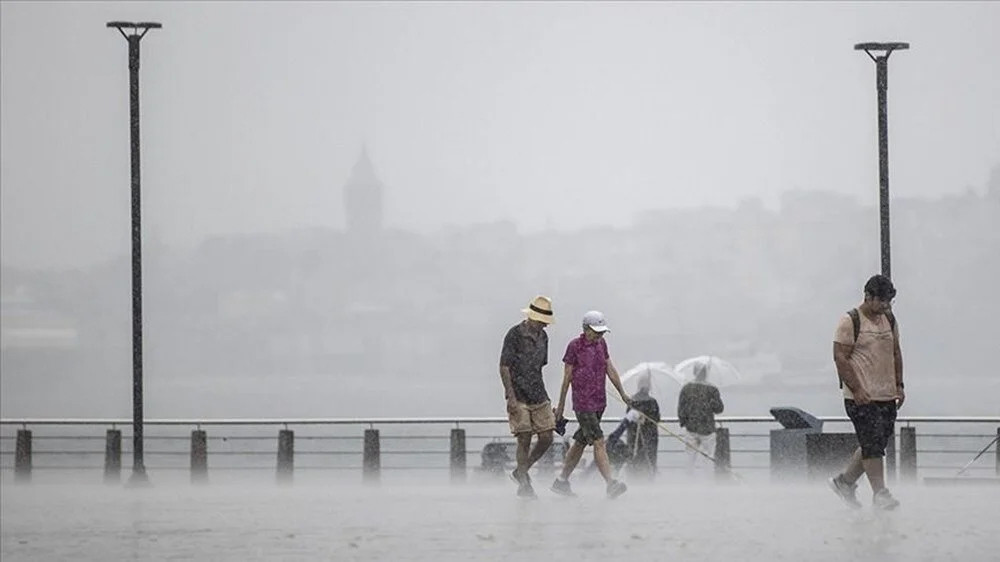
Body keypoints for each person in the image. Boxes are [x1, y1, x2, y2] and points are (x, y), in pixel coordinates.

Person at [829, 274, 904, 510]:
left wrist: (899, 385)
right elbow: (840, 358)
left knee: (875, 443)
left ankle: (844, 482)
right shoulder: (850, 321)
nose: (885, 306)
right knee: (871, 442)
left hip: (886, 394)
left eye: (889, 302)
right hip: (860, 396)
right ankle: (880, 493)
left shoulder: (889, 320)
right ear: (868, 296)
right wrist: (857, 389)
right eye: (881, 301)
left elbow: (896, 353)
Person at [551, 310, 631, 498]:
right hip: (583, 403)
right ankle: (611, 483)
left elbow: (610, 369)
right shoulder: (574, 347)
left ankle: (561, 481)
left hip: (599, 402)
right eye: (596, 331)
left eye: (602, 332)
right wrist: (561, 407)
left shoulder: (602, 344)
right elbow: (566, 378)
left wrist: (623, 393)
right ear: (585, 329)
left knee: (580, 441)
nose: (599, 335)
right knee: (598, 440)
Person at [499, 295, 557, 498]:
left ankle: (521, 470)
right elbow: (504, 366)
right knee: (524, 437)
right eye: (542, 321)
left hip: (538, 393)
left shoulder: (543, 338)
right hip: (519, 394)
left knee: (547, 436)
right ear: (533, 317)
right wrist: (510, 396)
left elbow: (539, 367)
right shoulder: (514, 334)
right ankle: (524, 483)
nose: (545, 326)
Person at [609, 372, 660, 481]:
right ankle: (649, 478)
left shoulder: (633, 400)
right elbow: (656, 419)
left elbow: (628, 417)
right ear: (649, 386)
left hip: (633, 436)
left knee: (634, 456)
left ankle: (634, 477)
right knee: (649, 458)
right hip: (650, 437)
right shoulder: (652, 402)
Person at [677, 363, 724, 475]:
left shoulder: (686, 388)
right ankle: (708, 483)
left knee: (689, 458)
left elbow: (681, 408)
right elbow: (719, 409)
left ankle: (689, 482)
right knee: (708, 458)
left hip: (691, 429)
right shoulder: (712, 389)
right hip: (707, 430)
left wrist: (684, 422)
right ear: (706, 374)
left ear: (694, 372)